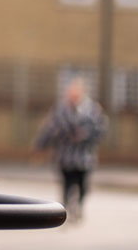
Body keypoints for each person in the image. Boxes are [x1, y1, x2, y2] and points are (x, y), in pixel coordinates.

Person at [33, 76, 107, 221]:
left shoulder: (92, 109)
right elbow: (49, 129)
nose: (73, 96)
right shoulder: (60, 110)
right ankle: (66, 209)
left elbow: (101, 129)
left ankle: (78, 205)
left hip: (84, 157)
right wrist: (40, 146)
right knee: (66, 184)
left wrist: (85, 135)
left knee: (83, 186)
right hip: (65, 156)